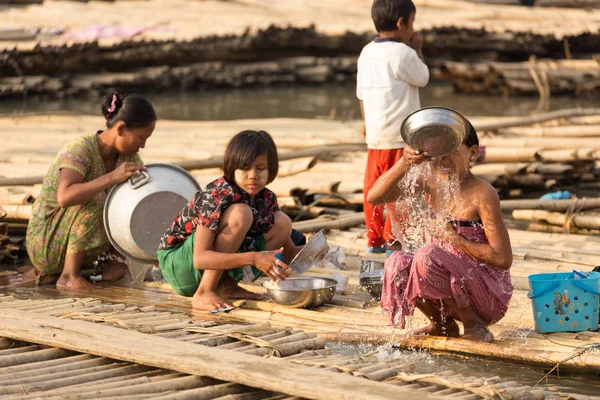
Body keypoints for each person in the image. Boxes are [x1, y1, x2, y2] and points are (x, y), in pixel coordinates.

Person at [367, 119, 513, 342]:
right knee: (396, 262)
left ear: (472, 153)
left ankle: (475, 325)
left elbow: (503, 259)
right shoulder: (429, 181)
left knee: (426, 256)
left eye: (450, 152)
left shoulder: (483, 193)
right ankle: (442, 324)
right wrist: (404, 163)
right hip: (446, 285)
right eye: (436, 153)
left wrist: (454, 238)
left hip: (487, 293)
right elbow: (375, 197)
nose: (442, 160)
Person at [157, 130, 302, 311]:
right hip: (179, 266)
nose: (252, 175)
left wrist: (312, 252)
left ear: (271, 169)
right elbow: (200, 259)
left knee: (283, 222)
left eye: (261, 168)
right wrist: (253, 258)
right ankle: (203, 292)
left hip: (205, 266)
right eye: (244, 168)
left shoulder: (266, 198)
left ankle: (226, 286)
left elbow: (286, 252)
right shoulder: (216, 196)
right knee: (242, 214)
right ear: (232, 168)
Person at [26, 92, 156, 290]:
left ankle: (113, 264)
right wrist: (111, 178)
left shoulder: (130, 160)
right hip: (47, 243)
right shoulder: (80, 149)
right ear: (121, 128)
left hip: (87, 252)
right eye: (141, 138)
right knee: (97, 201)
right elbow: (65, 197)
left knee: (129, 204)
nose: (143, 145)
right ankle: (69, 276)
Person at [357, 0, 429, 254]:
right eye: (412, 21)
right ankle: (394, 239)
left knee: (374, 188)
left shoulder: (366, 52)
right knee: (399, 188)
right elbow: (423, 77)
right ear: (402, 23)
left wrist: (366, 123)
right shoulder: (404, 53)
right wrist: (418, 49)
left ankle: (374, 239)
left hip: (376, 135)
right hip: (400, 138)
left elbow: (361, 94)